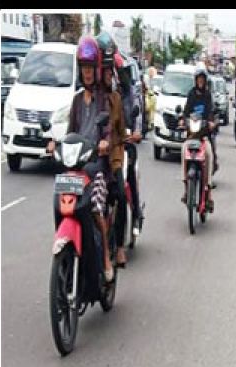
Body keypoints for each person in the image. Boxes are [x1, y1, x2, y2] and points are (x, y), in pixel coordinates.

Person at [46, 36, 121, 283]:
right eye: (84, 68)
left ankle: (106, 259)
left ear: (96, 70)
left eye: (91, 68)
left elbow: (109, 129)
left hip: (97, 167)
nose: (87, 73)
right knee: (61, 204)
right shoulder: (77, 100)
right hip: (76, 167)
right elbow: (70, 131)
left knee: (96, 208)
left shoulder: (104, 99)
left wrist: (105, 143)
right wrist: (55, 144)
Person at [95, 34, 131, 269]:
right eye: (105, 71)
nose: (109, 75)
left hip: (114, 158)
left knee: (119, 193)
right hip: (90, 159)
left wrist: (127, 137)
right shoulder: (86, 98)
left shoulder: (117, 98)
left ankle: (118, 247)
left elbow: (121, 129)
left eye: (111, 71)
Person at [115, 54, 145, 240]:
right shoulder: (104, 95)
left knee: (129, 179)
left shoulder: (131, 95)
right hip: (109, 148)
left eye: (119, 73)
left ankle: (135, 215)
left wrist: (136, 132)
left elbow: (138, 115)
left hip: (126, 145)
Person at [179, 67, 215, 210]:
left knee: (209, 153)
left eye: (202, 79)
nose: (200, 81)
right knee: (183, 150)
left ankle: (209, 192)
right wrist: (183, 120)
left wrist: (211, 122)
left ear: (205, 81)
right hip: (191, 135)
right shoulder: (191, 94)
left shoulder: (207, 95)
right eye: (198, 79)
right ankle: (186, 189)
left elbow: (210, 111)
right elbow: (186, 111)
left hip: (203, 135)